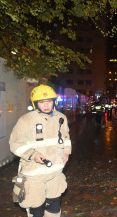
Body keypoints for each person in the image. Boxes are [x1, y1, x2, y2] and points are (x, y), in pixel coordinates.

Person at [9, 84, 71, 217]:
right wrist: (33, 155)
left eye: (49, 101)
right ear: (36, 103)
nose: (46, 105)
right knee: (36, 209)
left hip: (55, 173)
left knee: (54, 206)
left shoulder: (61, 118)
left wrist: (66, 152)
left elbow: (65, 137)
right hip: (33, 175)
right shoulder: (26, 120)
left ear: (53, 102)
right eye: (42, 102)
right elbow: (15, 143)